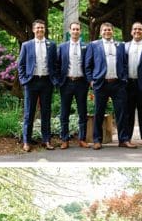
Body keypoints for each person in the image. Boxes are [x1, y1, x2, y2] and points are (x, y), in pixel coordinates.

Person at [85, 22, 128, 150]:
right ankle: (97, 140)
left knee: (121, 112)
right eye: (104, 30)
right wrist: (91, 81)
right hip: (101, 83)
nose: (107, 32)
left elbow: (125, 64)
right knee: (99, 113)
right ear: (100, 32)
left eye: (109, 30)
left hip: (117, 83)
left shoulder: (120, 45)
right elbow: (88, 65)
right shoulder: (94, 45)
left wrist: (124, 78)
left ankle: (123, 140)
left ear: (112, 31)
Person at [17, 19, 59, 151]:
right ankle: (26, 142)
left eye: (42, 28)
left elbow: (56, 64)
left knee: (46, 112)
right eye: (38, 28)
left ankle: (46, 140)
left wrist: (55, 80)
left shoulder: (51, 45)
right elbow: (21, 65)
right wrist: (24, 80)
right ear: (33, 29)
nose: (40, 30)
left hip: (47, 82)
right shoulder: (26, 45)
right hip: (31, 82)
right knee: (29, 113)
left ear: (44, 29)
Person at [56, 21, 90, 149]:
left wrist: (88, 80)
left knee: (82, 112)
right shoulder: (62, 47)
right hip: (66, 83)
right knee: (64, 112)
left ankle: (82, 139)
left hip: (81, 82)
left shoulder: (85, 47)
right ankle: (64, 139)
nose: (75, 31)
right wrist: (59, 81)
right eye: (73, 29)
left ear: (80, 31)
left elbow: (89, 64)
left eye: (77, 29)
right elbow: (57, 64)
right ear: (69, 31)